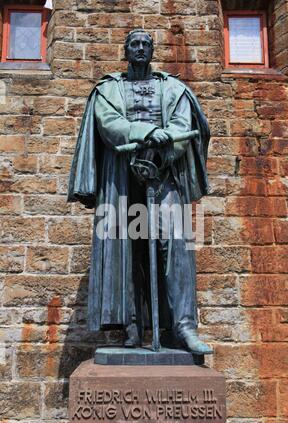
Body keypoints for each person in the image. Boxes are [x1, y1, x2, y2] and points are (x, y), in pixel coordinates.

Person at [68, 29, 211, 354]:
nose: (141, 48)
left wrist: (162, 148)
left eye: (146, 44)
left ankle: (184, 327)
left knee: (176, 246)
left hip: (164, 176)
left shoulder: (173, 88)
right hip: (122, 178)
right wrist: (148, 132)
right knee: (126, 251)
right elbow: (109, 124)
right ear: (126, 50)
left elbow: (181, 124)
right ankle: (131, 328)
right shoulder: (109, 89)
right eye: (135, 44)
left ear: (152, 50)